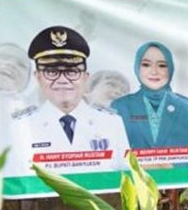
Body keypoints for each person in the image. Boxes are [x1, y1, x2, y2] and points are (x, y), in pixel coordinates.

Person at [9, 26, 130, 174]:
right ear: (38, 78)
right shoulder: (19, 126)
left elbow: (126, 177)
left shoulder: (112, 123)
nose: (62, 80)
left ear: (85, 77)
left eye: (72, 72)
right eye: (51, 72)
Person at [111, 41, 188, 152]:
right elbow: (112, 149)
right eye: (146, 65)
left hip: (179, 170)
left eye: (162, 66)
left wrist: (174, 164)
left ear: (170, 69)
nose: (154, 71)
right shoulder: (120, 106)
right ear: (137, 67)